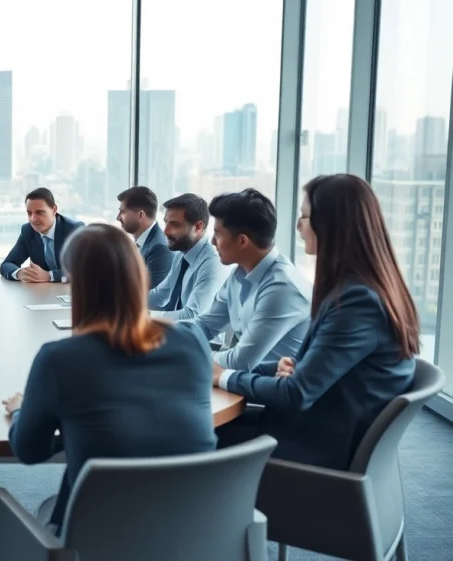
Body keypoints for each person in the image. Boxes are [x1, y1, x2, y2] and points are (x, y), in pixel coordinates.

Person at [3, 224, 216, 533]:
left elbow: (30, 449)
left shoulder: (59, 359)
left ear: (78, 286)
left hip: (99, 539)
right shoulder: (192, 340)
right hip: (198, 532)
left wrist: (22, 409)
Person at [215, 175, 418, 470]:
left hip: (316, 448)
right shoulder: (360, 290)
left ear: (331, 227)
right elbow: (319, 373)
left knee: (189, 439)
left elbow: (296, 394)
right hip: (319, 426)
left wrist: (221, 377)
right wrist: (289, 367)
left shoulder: (356, 303)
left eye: (304, 216)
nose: (298, 225)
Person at [184, 190, 311, 374]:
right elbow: (204, 325)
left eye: (218, 235)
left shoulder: (282, 287)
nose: (212, 241)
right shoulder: (239, 274)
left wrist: (189, 354)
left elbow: (240, 361)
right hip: (243, 387)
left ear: (243, 241)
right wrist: (159, 337)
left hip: (273, 397)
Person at [147, 193, 230, 319]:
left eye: (175, 224)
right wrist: (119, 303)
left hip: (200, 337)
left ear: (198, 227)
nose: (166, 231)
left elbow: (193, 315)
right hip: (177, 333)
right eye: (166, 223)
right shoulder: (181, 255)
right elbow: (158, 296)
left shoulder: (212, 262)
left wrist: (143, 317)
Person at [0, 188, 84, 282]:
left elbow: (85, 269)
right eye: (29, 213)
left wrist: (50, 276)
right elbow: (7, 264)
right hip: (42, 291)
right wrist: (19, 273)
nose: (33, 219)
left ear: (54, 209)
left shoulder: (74, 229)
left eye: (39, 212)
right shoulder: (28, 231)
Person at [116, 186, 176, 288]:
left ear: (140, 215)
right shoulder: (141, 243)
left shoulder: (160, 249)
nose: (118, 217)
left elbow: (151, 300)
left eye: (123, 212)